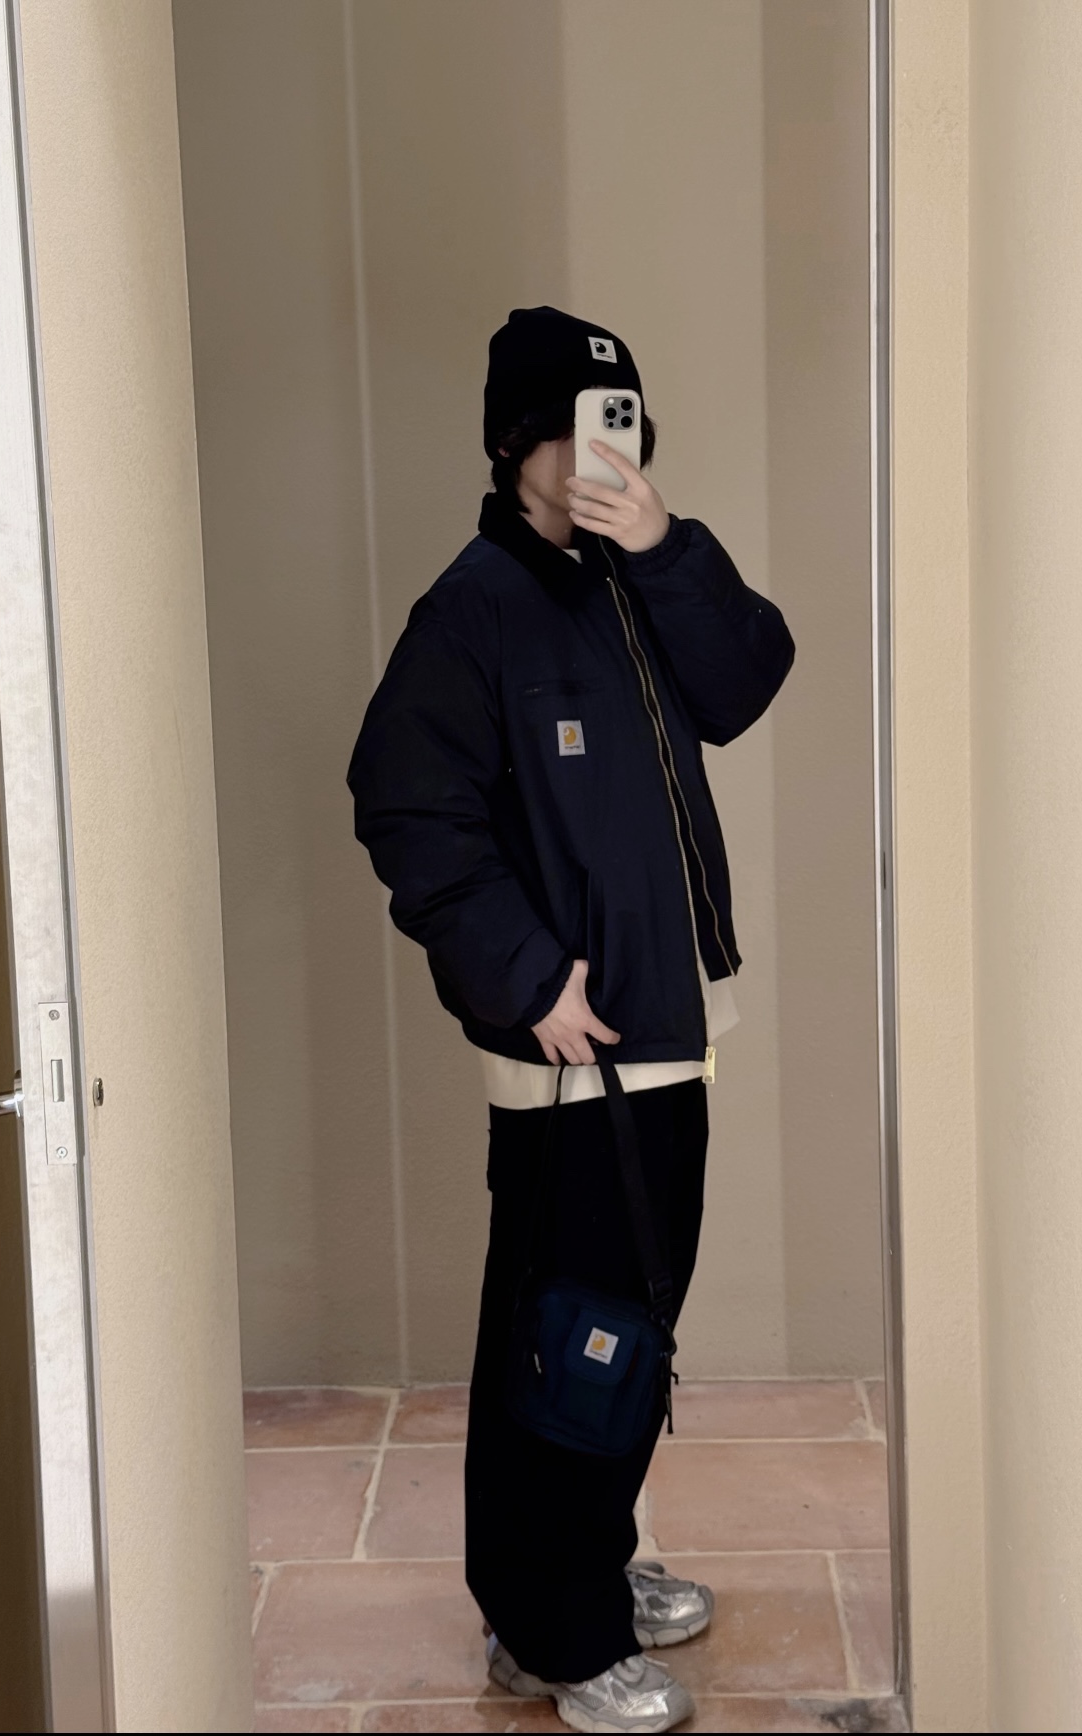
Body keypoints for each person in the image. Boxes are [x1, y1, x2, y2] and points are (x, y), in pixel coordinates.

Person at [349, 306, 795, 1734]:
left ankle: (574, 1572)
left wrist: (666, 546)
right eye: (572, 425)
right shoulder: (475, 610)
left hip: (665, 1026)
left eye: (621, 420)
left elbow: (747, 677)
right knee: (575, 1334)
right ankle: (554, 1635)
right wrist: (529, 978)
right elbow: (407, 808)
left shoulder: (632, 580)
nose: (602, 447)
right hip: (574, 1047)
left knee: (619, 1322)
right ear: (513, 442)